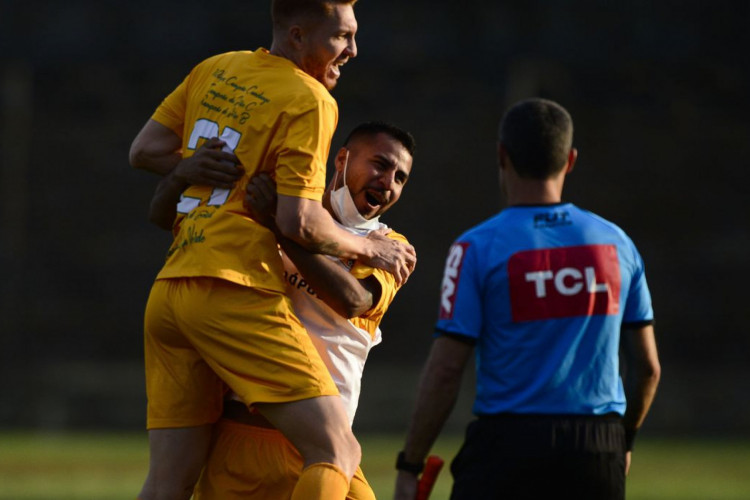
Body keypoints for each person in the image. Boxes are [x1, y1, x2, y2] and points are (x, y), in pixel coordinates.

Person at [128, 2, 416, 499]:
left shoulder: (215, 69)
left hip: (172, 287)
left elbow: (144, 152)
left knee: (167, 482)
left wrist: (185, 170)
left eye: (401, 177)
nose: (352, 51)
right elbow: (299, 221)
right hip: (229, 291)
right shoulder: (310, 100)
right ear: (300, 35)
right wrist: (363, 248)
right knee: (338, 451)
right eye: (341, 37)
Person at [393, 98, 661, 500]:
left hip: (508, 446)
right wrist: (623, 442)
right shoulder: (617, 244)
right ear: (570, 160)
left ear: (502, 156)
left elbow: (447, 369)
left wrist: (410, 464)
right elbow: (648, 368)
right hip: (596, 450)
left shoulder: (476, 247)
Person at [180, 121, 414, 500]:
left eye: (400, 177)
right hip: (246, 433)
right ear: (342, 159)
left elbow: (352, 300)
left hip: (325, 447)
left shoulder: (391, 246)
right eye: (380, 164)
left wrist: (279, 226)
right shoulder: (276, 206)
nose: (388, 182)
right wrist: (183, 172)